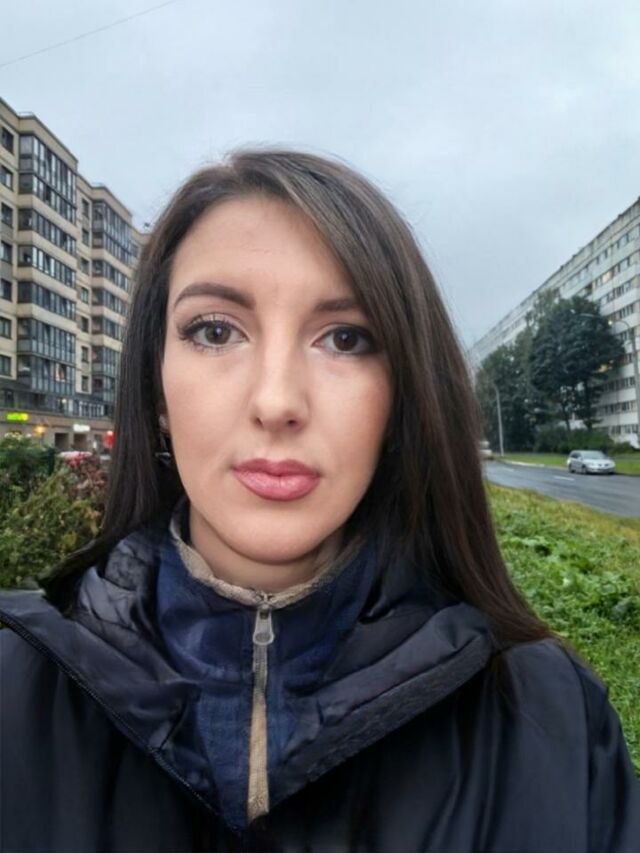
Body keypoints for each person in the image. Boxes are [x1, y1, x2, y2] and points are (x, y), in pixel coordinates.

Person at [0, 150, 638, 853]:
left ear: (400, 399)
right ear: (156, 390)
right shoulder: (13, 690)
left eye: (345, 338)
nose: (277, 401)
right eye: (215, 331)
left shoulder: (556, 721)